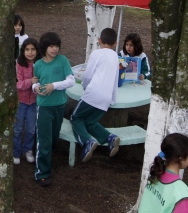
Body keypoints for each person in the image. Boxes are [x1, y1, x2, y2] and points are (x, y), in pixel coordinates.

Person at [70, 28, 121, 164]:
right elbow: (115, 79)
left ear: (99, 40)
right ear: (115, 44)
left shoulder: (96, 53)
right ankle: (109, 137)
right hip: (105, 98)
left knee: (76, 118)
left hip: (92, 94)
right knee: (90, 122)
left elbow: (88, 75)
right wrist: (113, 99)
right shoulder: (116, 57)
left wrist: (85, 86)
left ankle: (87, 142)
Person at [32, 31, 75, 187]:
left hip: (60, 105)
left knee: (53, 138)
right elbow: (35, 81)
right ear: (44, 47)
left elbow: (71, 80)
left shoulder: (63, 61)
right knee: (44, 140)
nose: (54, 49)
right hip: (44, 106)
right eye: (51, 46)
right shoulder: (38, 65)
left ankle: (43, 157)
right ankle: (41, 173)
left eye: (56, 46)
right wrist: (35, 87)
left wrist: (54, 86)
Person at [14, 37, 40, 166]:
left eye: (33, 49)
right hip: (20, 101)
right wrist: (30, 81)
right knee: (18, 128)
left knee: (31, 129)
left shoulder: (40, 64)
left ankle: (28, 150)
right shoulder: (19, 64)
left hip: (34, 102)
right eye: (27, 49)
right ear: (23, 51)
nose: (30, 52)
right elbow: (18, 84)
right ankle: (15, 152)